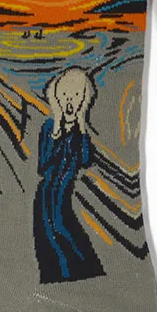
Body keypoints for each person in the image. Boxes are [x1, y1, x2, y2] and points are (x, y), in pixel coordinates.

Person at [33, 67, 105, 282]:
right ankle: (57, 278)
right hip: (48, 193)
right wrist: (57, 134)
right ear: (57, 97)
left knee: (66, 230)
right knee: (50, 235)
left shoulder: (79, 133)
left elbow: (86, 160)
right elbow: (42, 165)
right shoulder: (49, 127)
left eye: (75, 95)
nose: (70, 101)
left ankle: (84, 276)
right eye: (65, 95)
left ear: (83, 99)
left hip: (65, 192)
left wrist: (81, 128)